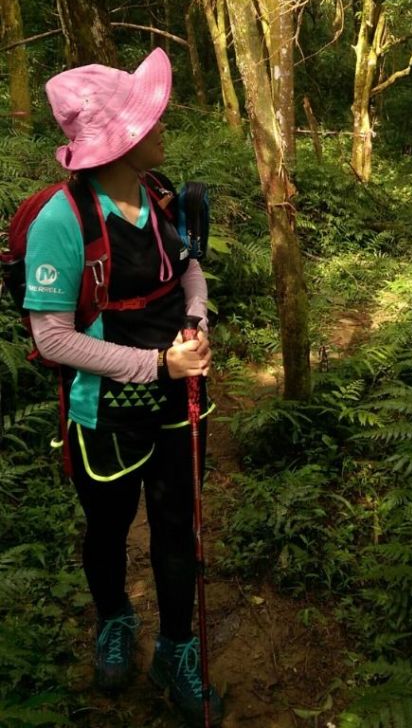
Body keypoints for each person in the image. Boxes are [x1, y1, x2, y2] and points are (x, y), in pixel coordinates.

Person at [23, 48, 223, 727]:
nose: (162, 123)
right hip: (104, 407)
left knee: (176, 525)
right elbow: (52, 338)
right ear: (124, 140)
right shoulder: (63, 221)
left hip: (177, 397)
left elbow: (189, 269)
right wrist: (155, 366)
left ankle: (176, 647)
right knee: (108, 524)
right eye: (150, 117)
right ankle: (114, 619)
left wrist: (195, 321)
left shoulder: (160, 195)